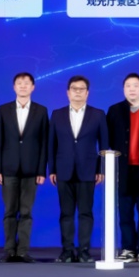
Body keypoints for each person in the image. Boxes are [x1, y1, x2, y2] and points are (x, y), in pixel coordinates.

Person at [47, 75, 109, 263]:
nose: (78, 92)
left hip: (88, 170)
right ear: (68, 92)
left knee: (85, 213)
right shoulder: (57, 114)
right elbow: (51, 144)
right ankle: (67, 251)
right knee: (66, 213)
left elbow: (104, 144)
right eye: (74, 89)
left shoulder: (98, 114)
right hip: (63, 170)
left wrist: (101, 169)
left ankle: (84, 252)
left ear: (87, 93)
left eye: (81, 89)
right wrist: (52, 170)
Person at [0, 72, 50, 263]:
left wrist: (41, 170)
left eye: (27, 83)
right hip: (8, 169)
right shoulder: (4, 110)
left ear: (33, 87)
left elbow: (44, 143)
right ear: (14, 87)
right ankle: (10, 250)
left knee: (26, 212)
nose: (23, 86)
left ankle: (23, 251)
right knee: (9, 211)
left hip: (31, 170)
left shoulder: (41, 111)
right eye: (19, 83)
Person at [107, 73, 139, 264]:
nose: (132, 89)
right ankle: (128, 248)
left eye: (135, 85)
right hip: (123, 170)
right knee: (125, 212)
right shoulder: (114, 110)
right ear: (123, 89)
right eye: (128, 85)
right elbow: (109, 140)